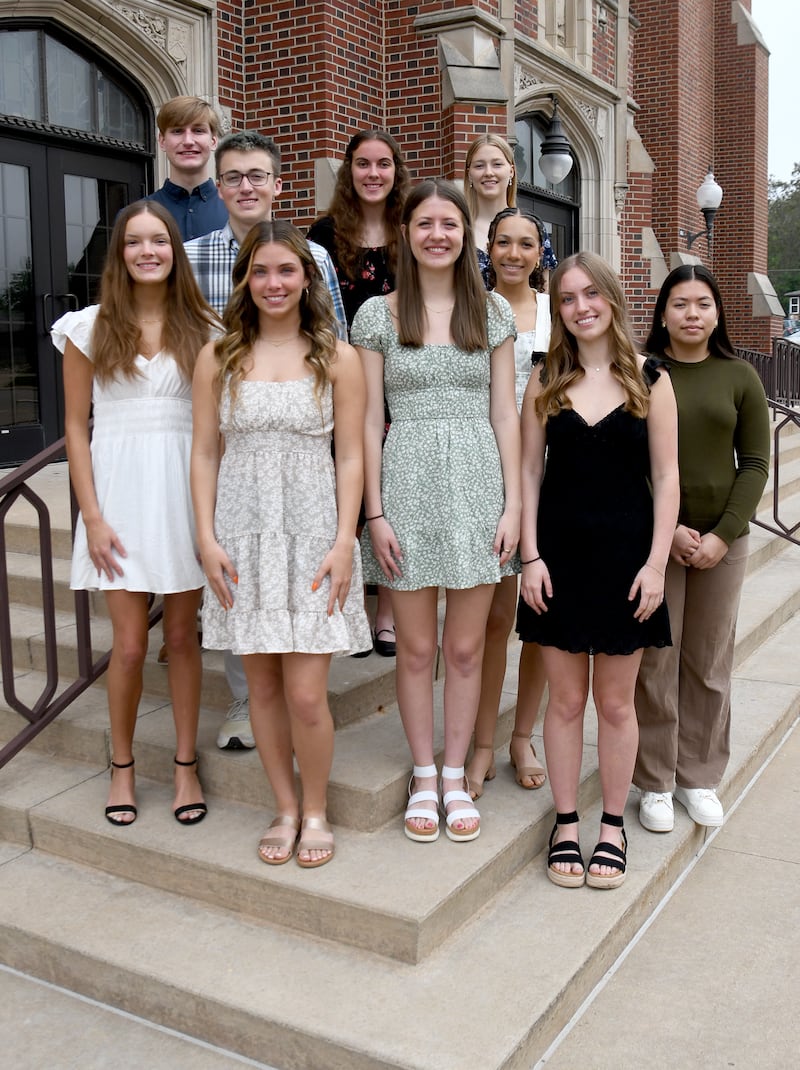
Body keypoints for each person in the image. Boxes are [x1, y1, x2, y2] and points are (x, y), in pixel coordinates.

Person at [191, 220, 371, 868]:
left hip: (312, 533)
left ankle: (317, 808)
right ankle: (285, 807)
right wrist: (206, 538)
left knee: (303, 693)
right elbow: (205, 452)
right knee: (260, 691)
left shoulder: (337, 357)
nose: (273, 283)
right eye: (260, 271)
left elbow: (351, 456)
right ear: (244, 279)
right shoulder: (218, 356)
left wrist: (345, 541)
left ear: (307, 278)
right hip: (242, 535)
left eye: (285, 271)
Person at [352, 179, 521, 843]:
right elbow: (368, 421)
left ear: (464, 235)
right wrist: (375, 513)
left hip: (479, 485)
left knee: (465, 647)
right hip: (407, 487)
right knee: (416, 649)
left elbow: (506, 413)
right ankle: (424, 772)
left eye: (449, 224)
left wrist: (512, 506)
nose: (437, 235)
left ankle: (456, 773)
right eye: (425, 223)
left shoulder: (494, 316)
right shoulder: (378, 318)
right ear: (408, 233)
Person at [53, 201, 218, 827]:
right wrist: (91, 516)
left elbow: (215, 431)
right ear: (118, 253)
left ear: (175, 251)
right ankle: (120, 766)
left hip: (183, 495)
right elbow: (74, 426)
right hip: (118, 497)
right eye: (134, 242)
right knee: (127, 646)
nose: (148, 252)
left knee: (179, 639)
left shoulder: (204, 326)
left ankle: (184, 765)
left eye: (159, 241)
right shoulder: (88, 328)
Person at [518, 251, 679, 889]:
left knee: (614, 704)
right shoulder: (543, 377)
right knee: (563, 701)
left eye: (591, 294)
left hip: (627, 559)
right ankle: (565, 822)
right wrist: (528, 557)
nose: (580, 307)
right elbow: (529, 473)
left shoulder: (651, 379)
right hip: (556, 559)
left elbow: (666, 478)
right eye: (566, 298)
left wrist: (658, 564)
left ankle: (611, 824)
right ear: (557, 310)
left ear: (611, 298)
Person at [185, 130, 347, 750]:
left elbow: (325, 336)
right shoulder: (194, 255)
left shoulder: (316, 271)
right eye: (234, 176)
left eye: (258, 175)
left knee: (303, 681)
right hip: (231, 429)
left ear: (278, 184)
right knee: (242, 584)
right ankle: (243, 702)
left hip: (300, 450)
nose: (246, 186)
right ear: (217, 185)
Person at [634, 265, 770, 832]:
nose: (693, 314)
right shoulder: (641, 375)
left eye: (704, 304)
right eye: (681, 304)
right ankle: (655, 782)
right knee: (656, 661)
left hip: (722, 543)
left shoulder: (739, 376)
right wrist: (666, 533)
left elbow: (757, 463)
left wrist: (721, 533)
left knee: (709, 660)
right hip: (654, 539)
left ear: (717, 313)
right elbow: (629, 460)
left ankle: (699, 775)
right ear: (662, 312)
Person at [308, 129, 410, 658]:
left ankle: (388, 612)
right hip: (341, 379)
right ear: (349, 171)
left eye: (383, 164)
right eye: (363, 164)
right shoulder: (324, 234)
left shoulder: (408, 229)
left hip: (400, 379)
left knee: (389, 494)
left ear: (396, 172)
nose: (373, 173)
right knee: (341, 493)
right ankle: (344, 605)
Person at [466, 207, 551, 799]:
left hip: (553, 473)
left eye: (527, 244)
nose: (514, 253)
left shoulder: (557, 313)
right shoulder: (474, 309)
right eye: (504, 242)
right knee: (494, 619)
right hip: (490, 473)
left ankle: (523, 735)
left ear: (540, 253)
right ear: (489, 248)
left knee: (542, 621)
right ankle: (480, 743)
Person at [463, 133, 557, 287]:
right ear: (469, 174)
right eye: (479, 165)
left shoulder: (532, 227)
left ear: (511, 171)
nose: (488, 172)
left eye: (497, 164)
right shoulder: (458, 230)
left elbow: (543, 295)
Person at [146, 96, 228, 240]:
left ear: (214, 141)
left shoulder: (237, 212)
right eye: (177, 131)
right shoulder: (138, 216)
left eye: (198, 130)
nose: (188, 141)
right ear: (162, 141)